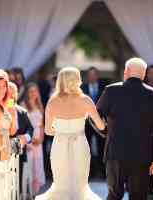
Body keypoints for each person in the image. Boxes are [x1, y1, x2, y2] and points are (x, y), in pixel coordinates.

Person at [97, 58, 153, 200]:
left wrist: (105, 131)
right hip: (142, 155)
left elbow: (94, 116)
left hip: (115, 153)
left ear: (126, 72)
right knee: (138, 197)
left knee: (114, 195)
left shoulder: (111, 90)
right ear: (144, 73)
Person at [36, 67, 105, 200]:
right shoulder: (86, 100)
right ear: (78, 80)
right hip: (80, 143)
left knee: (61, 183)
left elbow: (48, 131)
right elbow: (101, 126)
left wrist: (62, 131)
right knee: (80, 184)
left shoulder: (52, 101)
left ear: (60, 81)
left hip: (60, 145)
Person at [7, 81, 34, 199]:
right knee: (7, 180)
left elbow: (30, 129)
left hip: (20, 152)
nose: (12, 95)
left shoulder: (22, 111)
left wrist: (25, 138)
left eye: (14, 93)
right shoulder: (1, 109)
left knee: (17, 180)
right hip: (6, 149)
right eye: (10, 93)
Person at [81, 66, 108, 178]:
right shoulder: (82, 88)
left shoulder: (104, 88)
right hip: (86, 123)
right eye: (90, 75)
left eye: (94, 74)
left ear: (97, 76)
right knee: (86, 147)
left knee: (102, 147)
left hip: (100, 122)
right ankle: (89, 172)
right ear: (87, 76)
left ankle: (102, 172)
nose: (92, 77)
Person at [24, 83, 46, 197]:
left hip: (38, 138)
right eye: (31, 91)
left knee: (37, 165)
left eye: (35, 91)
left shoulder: (40, 106)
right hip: (29, 137)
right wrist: (30, 139)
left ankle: (35, 193)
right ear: (27, 93)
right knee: (29, 164)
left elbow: (42, 125)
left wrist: (41, 138)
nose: (33, 93)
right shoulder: (23, 105)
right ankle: (28, 191)